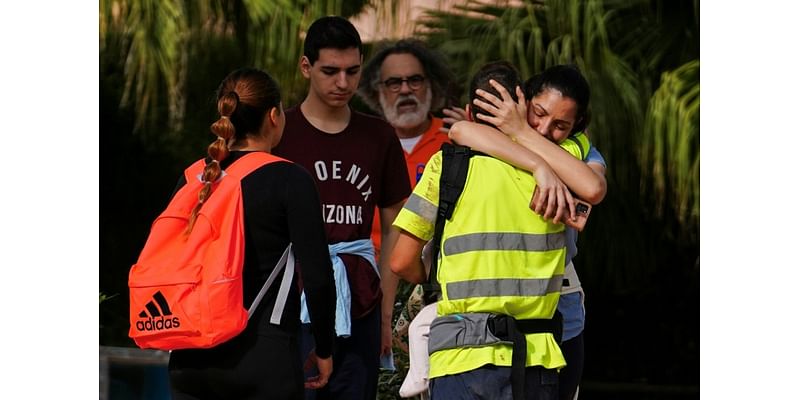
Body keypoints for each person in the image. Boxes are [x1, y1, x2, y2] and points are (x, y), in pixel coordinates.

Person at [390, 61, 573, 400]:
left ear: (471, 114)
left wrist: (440, 273)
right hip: (535, 358)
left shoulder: (446, 166)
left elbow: (401, 261)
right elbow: (594, 186)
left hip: (458, 358)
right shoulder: (560, 167)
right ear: (521, 108)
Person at [166, 67, 336, 400]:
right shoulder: (290, 180)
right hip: (262, 357)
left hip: (190, 357)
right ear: (274, 116)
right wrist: (324, 349)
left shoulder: (196, 178)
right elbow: (317, 278)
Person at [272, 16, 411, 400]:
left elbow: (396, 223)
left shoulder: (379, 135)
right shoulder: (281, 133)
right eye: (330, 71)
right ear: (306, 67)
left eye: (353, 71)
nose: (343, 83)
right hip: (290, 302)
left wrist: (384, 313)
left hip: (360, 299)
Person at [452, 64, 607, 400]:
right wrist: (537, 164)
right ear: (523, 99)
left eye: (560, 126)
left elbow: (593, 187)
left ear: (576, 127)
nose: (544, 127)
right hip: (492, 318)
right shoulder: (495, 139)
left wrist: (523, 132)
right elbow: (461, 131)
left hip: (561, 313)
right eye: (538, 113)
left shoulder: (579, 150)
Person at [356, 38, 462, 369]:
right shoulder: (361, 142)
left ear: (430, 85)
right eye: (394, 82)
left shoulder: (458, 138)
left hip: (440, 289)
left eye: (414, 80)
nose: (405, 90)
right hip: (369, 288)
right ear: (376, 91)